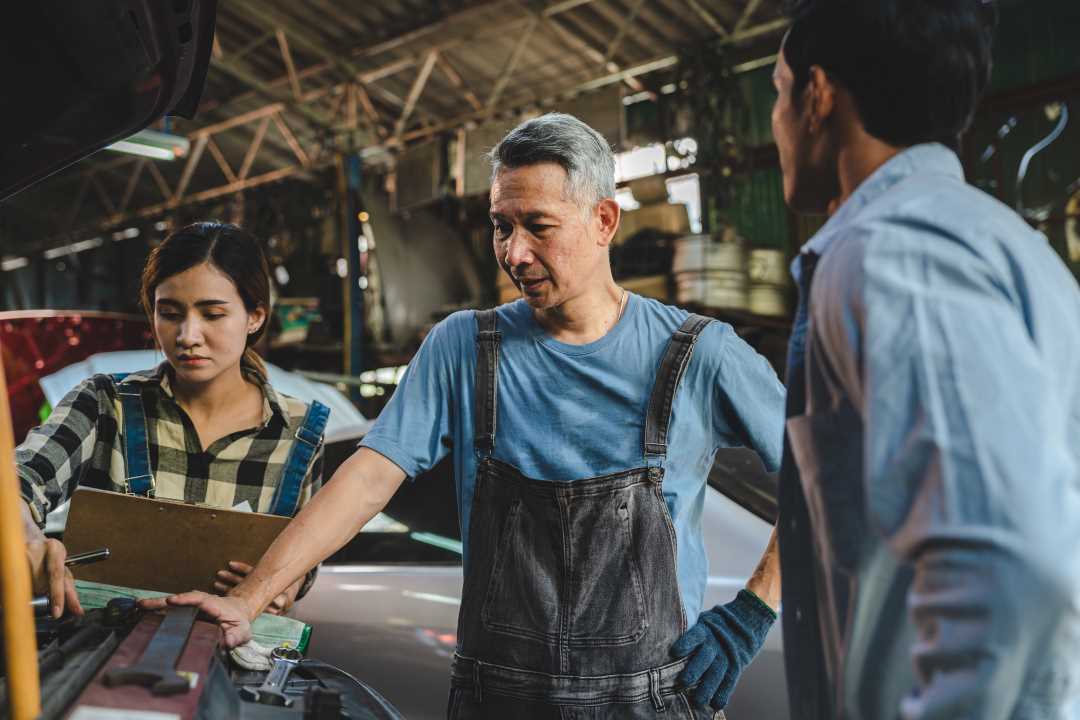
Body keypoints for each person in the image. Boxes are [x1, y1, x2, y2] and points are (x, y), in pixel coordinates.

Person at [147, 113, 787, 717]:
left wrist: (753, 611)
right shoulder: (464, 347)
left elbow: (823, 480)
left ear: (604, 220)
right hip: (498, 699)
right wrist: (249, 599)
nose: (514, 253)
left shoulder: (699, 354)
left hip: (655, 698)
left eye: (538, 225)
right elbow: (370, 475)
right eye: (501, 226)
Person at [770, 1, 1080, 718]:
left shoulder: (887, 253)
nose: (777, 124)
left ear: (818, 96)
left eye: (781, 94)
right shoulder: (1008, 244)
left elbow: (1010, 566)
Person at [19, 222, 329, 618]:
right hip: (101, 653)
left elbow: (305, 561)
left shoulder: (299, 432)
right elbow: (19, 482)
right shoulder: (103, 405)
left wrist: (284, 584)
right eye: (169, 313)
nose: (188, 335)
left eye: (213, 314)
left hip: (234, 663)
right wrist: (27, 537)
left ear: (255, 316)